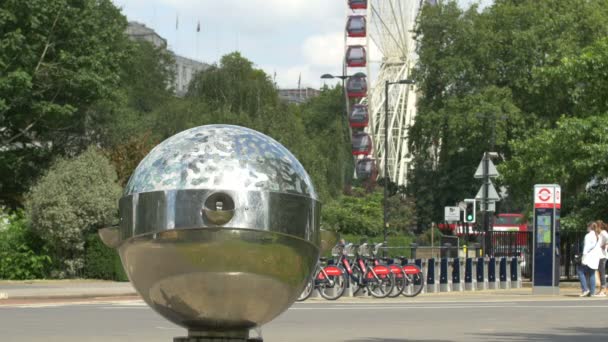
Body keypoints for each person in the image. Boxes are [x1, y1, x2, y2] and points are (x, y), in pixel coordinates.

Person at [578, 222, 602, 297]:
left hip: (588, 257)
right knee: (592, 274)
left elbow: (586, 248)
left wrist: (583, 257)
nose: (586, 228)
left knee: (580, 271)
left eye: (587, 226)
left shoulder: (588, 236)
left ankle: (585, 289)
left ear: (590, 227)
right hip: (595, 258)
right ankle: (592, 292)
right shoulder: (598, 236)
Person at [596, 221, 608, 296]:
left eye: (596, 226)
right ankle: (602, 289)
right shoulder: (599, 233)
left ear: (599, 226)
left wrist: (606, 244)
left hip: (603, 256)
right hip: (599, 255)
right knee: (600, 273)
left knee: (602, 273)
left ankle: (603, 289)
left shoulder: (603, 232)